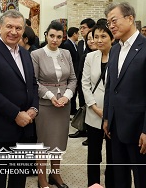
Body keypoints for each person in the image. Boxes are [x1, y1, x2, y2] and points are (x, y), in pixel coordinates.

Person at [103, 2, 146, 188]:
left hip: (140, 131)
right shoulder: (115, 49)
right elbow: (111, 87)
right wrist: (107, 117)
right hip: (116, 128)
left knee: (144, 181)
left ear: (130, 18)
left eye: (114, 20)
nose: (111, 26)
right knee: (120, 180)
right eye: (109, 23)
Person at [0, 10, 39, 188]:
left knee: (19, 178)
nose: (13, 32)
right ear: (0, 27)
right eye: (9, 26)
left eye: (18, 28)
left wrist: (34, 109)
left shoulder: (26, 54)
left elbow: (33, 85)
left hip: (25, 128)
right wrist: (16, 114)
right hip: (1, 128)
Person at [31, 21, 77, 188]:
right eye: (52, 36)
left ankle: (55, 175)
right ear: (46, 35)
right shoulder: (36, 54)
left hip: (64, 104)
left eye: (59, 37)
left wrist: (67, 96)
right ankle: (42, 179)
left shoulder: (66, 53)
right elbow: (34, 82)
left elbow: (72, 78)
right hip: (45, 104)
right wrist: (51, 96)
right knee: (44, 143)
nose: (55, 40)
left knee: (59, 140)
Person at [81, 24, 115, 187]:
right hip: (93, 112)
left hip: (114, 113)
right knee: (94, 153)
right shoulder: (90, 57)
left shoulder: (119, 55)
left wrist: (108, 111)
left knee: (113, 154)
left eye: (103, 36)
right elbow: (85, 84)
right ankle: (92, 184)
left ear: (112, 38)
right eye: (96, 37)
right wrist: (94, 107)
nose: (99, 40)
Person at [69, 28, 97, 140]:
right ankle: (82, 130)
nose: (91, 41)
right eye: (88, 39)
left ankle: (90, 135)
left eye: (92, 38)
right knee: (83, 109)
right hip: (83, 88)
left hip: (95, 92)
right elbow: (80, 74)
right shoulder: (85, 55)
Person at [61, 27, 80, 115]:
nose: (78, 35)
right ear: (74, 34)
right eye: (78, 34)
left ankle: (73, 109)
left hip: (75, 71)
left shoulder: (75, 45)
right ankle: (71, 110)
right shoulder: (67, 44)